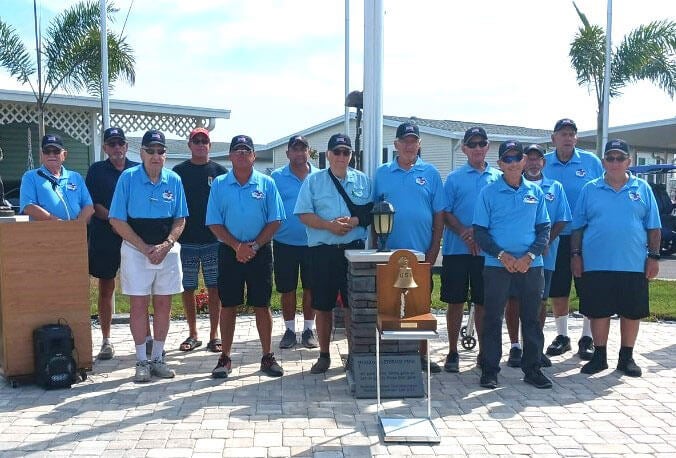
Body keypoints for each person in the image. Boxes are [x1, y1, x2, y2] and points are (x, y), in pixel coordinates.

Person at [571, 139, 661, 377]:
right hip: (596, 262)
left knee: (631, 312)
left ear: (628, 162)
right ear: (603, 162)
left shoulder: (643, 188)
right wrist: (576, 256)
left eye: (620, 158)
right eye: (610, 158)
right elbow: (578, 227)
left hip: (633, 263)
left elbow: (653, 227)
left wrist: (653, 257)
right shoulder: (590, 188)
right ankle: (599, 356)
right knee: (598, 311)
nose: (615, 162)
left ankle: (626, 357)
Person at [109, 129, 188, 383]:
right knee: (139, 306)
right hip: (135, 251)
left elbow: (180, 218)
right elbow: (117, 220)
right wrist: (144, 248)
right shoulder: (127, 179)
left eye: (160, 151)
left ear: (165, 155)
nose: (156, 155)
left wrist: (166, 244)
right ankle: (141, 361)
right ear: (141, 152)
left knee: (164, 305)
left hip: (167, 252)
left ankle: (158, 359)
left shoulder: (174, 180)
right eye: (151, 150)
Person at [473, 140, 551, 389]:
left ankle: (533, 369)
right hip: (497, 265)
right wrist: (502, 255)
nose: (513, 163)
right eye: (507, 159)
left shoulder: (535, 192)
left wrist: (528, 257)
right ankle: (490, 370)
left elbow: (544, 229)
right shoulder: (488, 192)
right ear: (500, 164)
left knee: (531, 318)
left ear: (524, 161)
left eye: (517, 158)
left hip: (531, 265)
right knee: (493, 318)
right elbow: (480, 232)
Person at [206, 134, 286, 379]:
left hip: (260, 252)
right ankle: (225, 357)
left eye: (246, 150)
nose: (242, 154)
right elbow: (213, 222)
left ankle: (267, 356)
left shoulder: (267, 183)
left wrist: (254, 246)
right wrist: (237, 246)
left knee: (262, 305)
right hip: (229, 252)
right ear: (230, 156)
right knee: (228, 305)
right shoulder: (219, 184)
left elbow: (276, 220)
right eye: (237, 150)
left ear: (253, 156)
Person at [372, 122, 446, 373]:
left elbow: (439, 215)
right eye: (405, 141)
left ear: (419, 144)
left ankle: (422, 356)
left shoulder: (431, 173)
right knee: (388, 305)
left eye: (414, 141)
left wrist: (434, 250)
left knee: (419, 308)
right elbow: (374, 214)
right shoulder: (381, 173)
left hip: (421, 253)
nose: (409, 145)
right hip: (388, 253)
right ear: (396, 145)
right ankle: (389, 355)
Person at [294, 133, 371, 374]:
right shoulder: (313, 182)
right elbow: (303, 214)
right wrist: (330, 225)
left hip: (353, 252)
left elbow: (371, 213)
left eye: (345, 152)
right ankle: (324, 355)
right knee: (323, 305)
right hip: (323, 252)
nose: (341, 156)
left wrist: (353, 221)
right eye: (336, 152)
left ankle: (355, 355)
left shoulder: (363, 181)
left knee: (353, 306)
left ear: (351, 155)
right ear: (327, 154)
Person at [440, 126, 502, 372]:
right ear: (464, 148)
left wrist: (479, 235)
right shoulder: (454, 178)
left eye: (481, 144)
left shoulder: (498, 177)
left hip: (486, 252)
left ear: (488, 147)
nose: (477, 148)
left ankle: (484, 353)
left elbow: (501, 213)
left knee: (483, 302)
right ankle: (453, 351)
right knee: (454, 302)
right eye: (472, 144)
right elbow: (445, 212)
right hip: (457, 249)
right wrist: (465, 233)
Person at [504, 144, 571, 368]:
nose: (533, 163)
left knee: (539, 301)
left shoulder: (555, 187)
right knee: (513, 300)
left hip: (545, 255)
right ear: (523, 161)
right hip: (516, 255)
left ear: (544, 162)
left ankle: (534, 347)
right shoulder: (512, 185)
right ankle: (515, 346)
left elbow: (562, 218)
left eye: (537, 159)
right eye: (529, 159)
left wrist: (546, 241)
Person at [543, 118, 603, 360]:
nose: (567, 138)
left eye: (571, 133)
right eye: (563, 133)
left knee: (586, 285)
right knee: (559, 288)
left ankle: (587, 337)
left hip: (585, 235)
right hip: (554, 236)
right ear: (553, 138)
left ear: (576, 138)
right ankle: (563, 336)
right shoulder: (543, 162)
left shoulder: (591, 162)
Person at [86, 127, 139, 360]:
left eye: (120, 144)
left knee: (140, 288)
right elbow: (92, 204)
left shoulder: (138, 170)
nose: (117, 148)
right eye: (112, 144)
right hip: (105, 236)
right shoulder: (96, 171)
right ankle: (106, 341)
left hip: (133, 237)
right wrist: (116, 220)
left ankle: (144, 338)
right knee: (106, 288)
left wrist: (126, 226)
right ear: (105, 147)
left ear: (126, 146)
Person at [173, 127, 228, 353]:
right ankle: (193, 333)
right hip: (185, 241)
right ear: (189, 145)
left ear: (210, 145)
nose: (200, 144)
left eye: (204, 141)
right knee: (188, 288)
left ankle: (214, 335)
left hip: (214, 241)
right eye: (196, 140)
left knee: (215, 288)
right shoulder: (178, 172)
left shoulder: (220, 172)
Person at [271, 135, 319, 349]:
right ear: (288, 153)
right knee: (287, 289)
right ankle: (289, 330)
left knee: (311, 288)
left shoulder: (320, 176)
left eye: (303, 149)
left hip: (314, 242)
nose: (299, 153)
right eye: (295, 149)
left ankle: (309, 329)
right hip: (284, 242)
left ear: (309, 151)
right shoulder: (276, 177)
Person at [20, 133, 94, 223]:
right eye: (47, 151)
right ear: (41, 154)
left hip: (76, 233)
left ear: (64, 155)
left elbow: (89, 206)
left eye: (56, 151)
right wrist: (59, 224)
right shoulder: (30, 176)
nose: (51, 154)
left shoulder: (76, 177)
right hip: (44, 233)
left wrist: (77, 225)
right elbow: (28, 207)